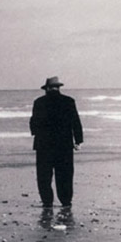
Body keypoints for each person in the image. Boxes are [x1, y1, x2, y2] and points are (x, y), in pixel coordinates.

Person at [29, 76, 83, 209]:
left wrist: (36, 133)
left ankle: (47, 201)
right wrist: (78, 140)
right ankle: (66, 201)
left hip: (44, 144)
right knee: (65, 174)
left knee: (44, 175)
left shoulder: (39, 102)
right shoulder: (69, 101)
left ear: (47, 88)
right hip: (64, 144)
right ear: (58, 88)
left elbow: (33, 122)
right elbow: (75, 121)